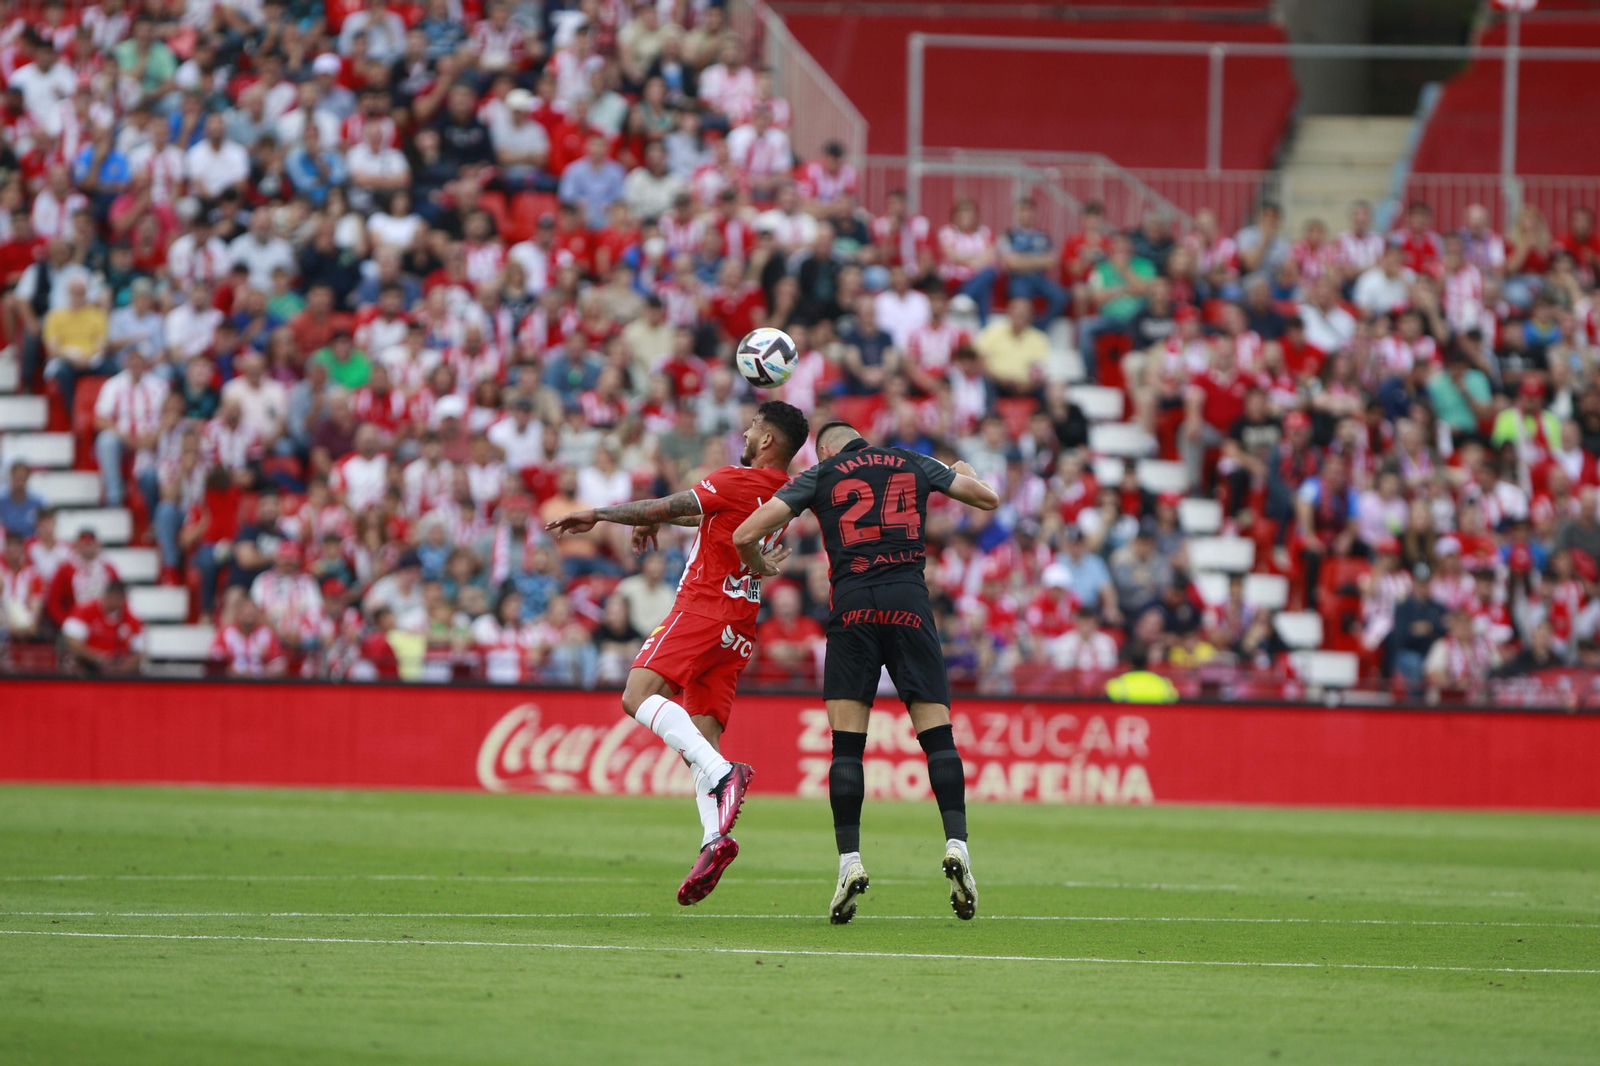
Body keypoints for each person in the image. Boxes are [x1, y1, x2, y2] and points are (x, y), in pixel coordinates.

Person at [732, 419, 1000, 924]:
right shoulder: (910, 460)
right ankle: (957, 845)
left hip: (852, 608)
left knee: (847, 747)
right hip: (909, 604)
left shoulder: (821, 474)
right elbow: (987, 499)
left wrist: (758, 562)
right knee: (938, 738)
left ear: (825, 450)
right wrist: (965, 471)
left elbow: (745, 532)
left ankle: (849, 862)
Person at [543, 401, 810, 906]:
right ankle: (714, 840)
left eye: (753, 427)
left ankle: (726, 775)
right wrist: (661, 522)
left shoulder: (735, 478)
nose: (745, 433)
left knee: (636, 694)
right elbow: (704, 516)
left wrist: (599, 514)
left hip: (703, 607)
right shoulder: (786, 493)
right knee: (700, 740)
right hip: (740, 625)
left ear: (768, 440)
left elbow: (667, 504)